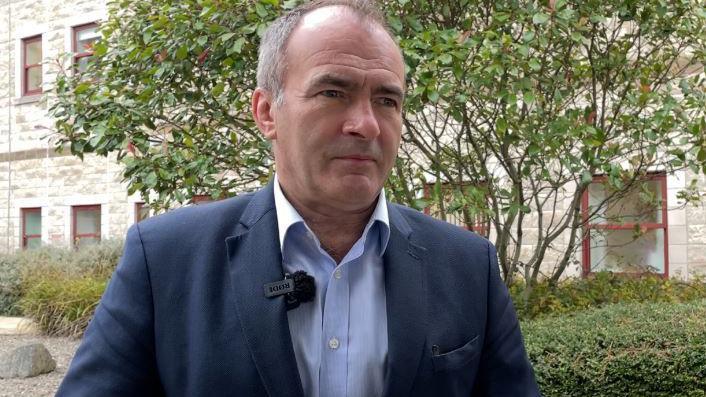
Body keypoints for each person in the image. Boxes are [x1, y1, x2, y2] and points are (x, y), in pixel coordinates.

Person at [57, 1, 540, 396]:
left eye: (387, 100)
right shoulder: (163, 259)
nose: (366, 124)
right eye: (333, 92)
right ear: (267, 112)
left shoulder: (467, 264)